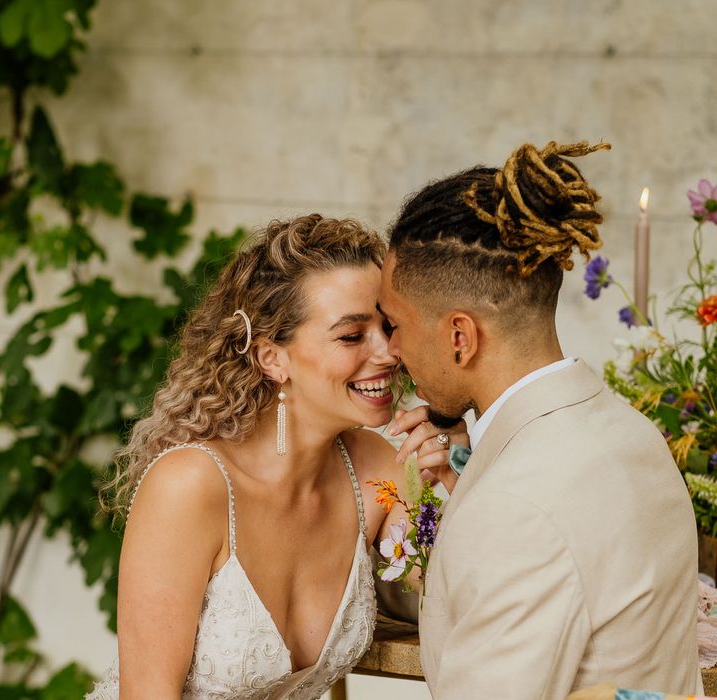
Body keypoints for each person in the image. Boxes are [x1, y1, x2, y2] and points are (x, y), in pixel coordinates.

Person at [86, 214, 464, 700]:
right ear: (271, 358)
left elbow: (456, 602)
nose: (389, 352)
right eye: (352, 336)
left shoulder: (375, 470)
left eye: (388, 327)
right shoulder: (190, 486)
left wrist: (457, 474)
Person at [380, 141, 703, 698]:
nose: (390, 351)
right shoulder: (633, 433)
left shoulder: (514, 506)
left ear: (460, 337)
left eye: (394, 325)